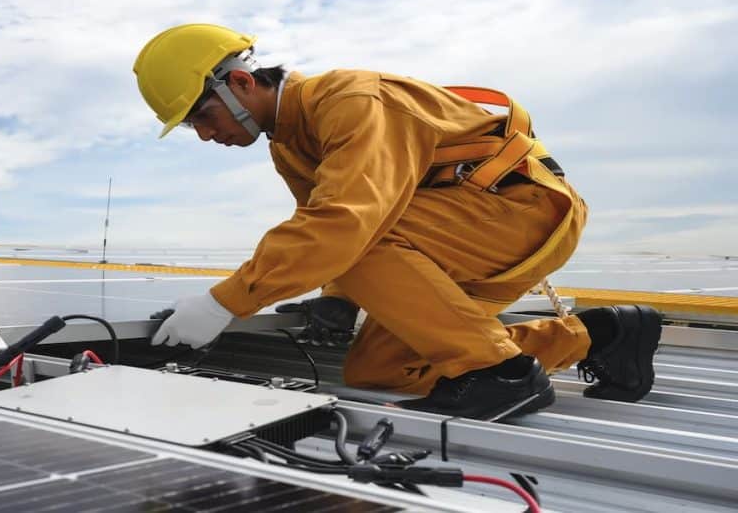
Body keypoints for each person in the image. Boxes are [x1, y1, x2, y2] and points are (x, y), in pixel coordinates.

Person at [133, 24, 662, 419]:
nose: (205, 135)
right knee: (380, 370)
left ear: (243, 83)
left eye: (203, 116)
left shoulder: (349, 101)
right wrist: (338, 299)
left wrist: (224, 301)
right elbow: (333, 216)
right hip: (459, 231)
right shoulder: (290, 146)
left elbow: (345, 223)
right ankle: (602, 335)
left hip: (517, 210)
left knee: (360, 246)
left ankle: (503, 374)